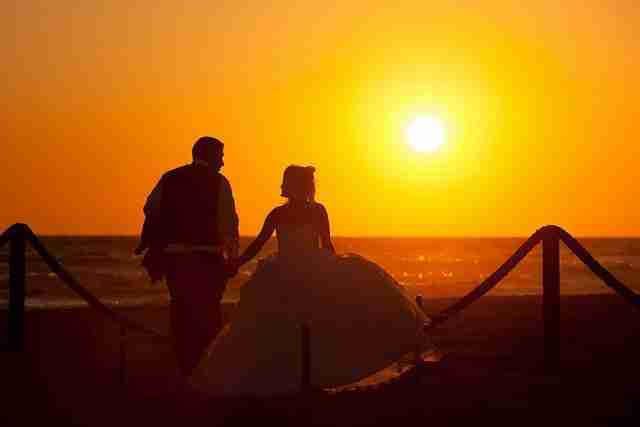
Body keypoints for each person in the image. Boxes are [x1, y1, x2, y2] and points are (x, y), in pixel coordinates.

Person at [190, 165, 430, 396]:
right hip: (300, 270)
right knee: (301, 324)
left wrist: (238, 263)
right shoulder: (299, 212)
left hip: (289, 271)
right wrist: (239, 263)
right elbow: (282, 244)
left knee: (297, 324)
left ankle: (299, 375)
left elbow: (290, 243)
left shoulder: (294, 212)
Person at [135, 136, 239, 376]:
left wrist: (150, 242)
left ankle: (184, 367)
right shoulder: (220, 182)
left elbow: (151, 208)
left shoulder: (169, 178)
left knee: (181, 311)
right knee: (209, 312)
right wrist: (232, 257)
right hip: (208, 258)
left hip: (176, 259)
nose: (223, 162)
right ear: (211, 155)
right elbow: (229, 223)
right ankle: (205, 369)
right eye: (221, 156)